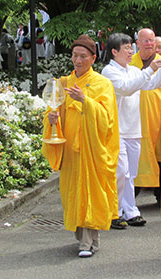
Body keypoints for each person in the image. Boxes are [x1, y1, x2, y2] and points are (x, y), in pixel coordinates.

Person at [42, 35, 120, 258]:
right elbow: (53, 109)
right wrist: (52, 119)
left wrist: (86, 100)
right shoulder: (64, 83)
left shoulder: (101, 84)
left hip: (91, 150)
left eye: (83, 56)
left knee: (90, 193)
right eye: (75, 55)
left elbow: (108, 118)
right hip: (71, 150)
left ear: (93, 58)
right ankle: (84, 239)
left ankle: (88, 243)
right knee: (73, 194)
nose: (78, 60)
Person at [102, 33, 161, 228]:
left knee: (131, 173)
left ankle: (130, 210)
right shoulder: (109, 72)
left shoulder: (132, 70)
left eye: (132, 48)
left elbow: (152, 84)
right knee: (120, 172)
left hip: (133, 129)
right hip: (117, 131)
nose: (131, 52)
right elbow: (126, 88)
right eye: (127, 48)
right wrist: (150, 69)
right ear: (114, 51)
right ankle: (114, 211)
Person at [130, 28, 161, 203]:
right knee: (134, 157)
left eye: (152, 41)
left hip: (158, 118)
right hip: (133, 119)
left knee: (159, 156)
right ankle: (129, 198)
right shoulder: (129, 64)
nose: (150, 44)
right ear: (138, 44)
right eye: (146, 41)